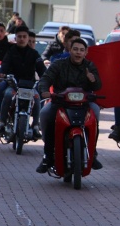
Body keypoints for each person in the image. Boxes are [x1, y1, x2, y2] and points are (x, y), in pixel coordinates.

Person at [35, 38, 103, 173]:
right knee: (44, 113)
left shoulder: (90, 66)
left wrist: (93, 80)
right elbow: (46, 78)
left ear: (86, 52)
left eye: (81, 50)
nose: (78, 53)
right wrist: (44, 91)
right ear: (70, 50)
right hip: (60, 102)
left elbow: (98, 85)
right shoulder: (59, 64)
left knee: (95, 111)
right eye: (75, 49)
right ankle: (47, 156)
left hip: (84, 103)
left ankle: (92, 154)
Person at [0, 25, 43, 134]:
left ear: (27, 38)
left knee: (37, 97)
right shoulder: (10, 52)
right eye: (19, 36)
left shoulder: (34, 54)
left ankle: (35, 125)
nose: (22, 39)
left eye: (24, 37)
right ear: (15, 38)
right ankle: (2, 122)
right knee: (7, 95)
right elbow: (5, 64)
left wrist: (45, 77)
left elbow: (41, 69)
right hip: (13, 85)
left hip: (29, 86)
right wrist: (2, 73)